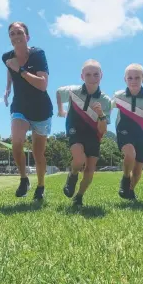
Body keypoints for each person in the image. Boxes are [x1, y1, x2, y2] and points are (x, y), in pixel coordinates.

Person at [2, 21, 53, 200]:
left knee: (38, 153)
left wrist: (21, 70)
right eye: (12, 34)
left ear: (27, 37)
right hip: (20, 106)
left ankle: (40, 185)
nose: (16, 36)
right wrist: (8, 88)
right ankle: (24, 179)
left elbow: (42, 85)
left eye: (20, 33)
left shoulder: (38, 54)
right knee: (17, 142)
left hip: (41, 110)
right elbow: (10, 70)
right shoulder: (7, 57)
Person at [56, 59, 112, 207]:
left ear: (101, 76)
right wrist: (61, 110)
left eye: (95, 75)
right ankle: (72, 174)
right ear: (82, 76)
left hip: (94, 134)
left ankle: (79, 197)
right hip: (75, 129)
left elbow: (103, 130)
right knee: (79, 159)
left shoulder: (106, 100)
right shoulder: (73, 91)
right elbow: (58, 93)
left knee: (90, 170)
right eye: (88, 75)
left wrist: (100, 114)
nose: (92, 78)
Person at [112, 63, 143, 200]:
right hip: (124, 130)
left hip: (141, 134)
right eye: (130, 78)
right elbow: (106, 109)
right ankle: (125, 179)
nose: (133, 81)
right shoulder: (118, 95)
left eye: (137, 78)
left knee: (138, 170)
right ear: (125, 79)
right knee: (130, 154)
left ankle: (130, 191)